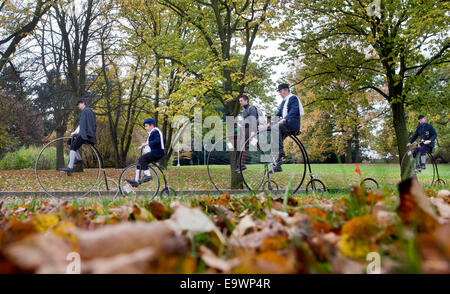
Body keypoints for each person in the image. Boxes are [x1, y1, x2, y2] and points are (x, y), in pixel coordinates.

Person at [269, 83, 304, 172]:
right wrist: (270, 123)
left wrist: (285, 119)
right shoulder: (284, 102)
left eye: (280, 92)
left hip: (292, 124)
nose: (280, 94)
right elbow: (278, 114)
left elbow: (294, 110)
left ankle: (280, 153)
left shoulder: (293, 98)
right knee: (275, 141)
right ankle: (277, 165)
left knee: (276, 129)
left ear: (285, 90)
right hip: (285, 126)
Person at [59, 98, 97, 173]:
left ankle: (70, 167)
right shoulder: (85, 112)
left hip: (85, 135)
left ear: (83, 103)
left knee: (73, 147)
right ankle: (79, 160)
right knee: (70, 142)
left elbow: (91, 125)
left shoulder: (87, 111)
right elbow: (82, 125)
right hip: (84, 133)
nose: (78, 106)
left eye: (79, 104)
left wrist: (89, 135)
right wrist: (75, 132)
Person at [126, 118, 165, 187]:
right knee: (140, 163)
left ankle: (148, 175)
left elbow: (157, 141)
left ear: (152, 125)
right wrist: (142, 146)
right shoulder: (151, 133)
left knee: (142, 158)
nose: (145, 128)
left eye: (146, 126)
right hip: (155, 152)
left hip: (158, 153)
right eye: (145, 126)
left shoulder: (155, 131)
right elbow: (149, 143)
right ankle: (136, 180)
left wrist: (146, 144)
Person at [234, 94, 261, 173]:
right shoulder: (245, 111)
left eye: (241, 101)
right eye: (239, 101)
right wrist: (237, 130)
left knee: (243, 146)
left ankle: (242, 165)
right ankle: (238, 165)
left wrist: (252, 132)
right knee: (238, 146)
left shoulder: (251, 108)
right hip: (245, 130)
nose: (240, 102)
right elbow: (244, 123)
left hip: (251, 130)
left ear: (246, 100)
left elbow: (253, 121)